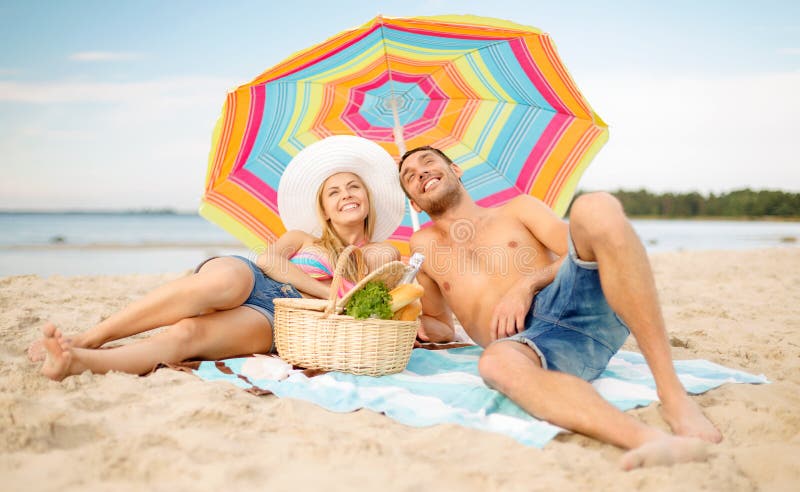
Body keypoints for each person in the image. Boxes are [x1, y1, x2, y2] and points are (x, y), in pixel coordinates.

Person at [398, 146, 722, 470]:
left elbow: (584, 248)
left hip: (576, 300)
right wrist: (420, 329)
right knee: (493, 364)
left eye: (428, 163)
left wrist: (526, 285)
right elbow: (440, 323)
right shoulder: (421, 246)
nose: (421, 173)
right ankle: (650, 442)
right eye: (409, 176)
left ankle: (673, 396)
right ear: (413, 202)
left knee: (595, 207)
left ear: (455, 169)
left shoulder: (517, 209)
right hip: (532, 346)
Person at [30, 135, 405, 381]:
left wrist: (356, 265)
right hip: (254, 280)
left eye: (354, 187)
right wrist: (326, 293)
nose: (346, 195)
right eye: (334, 192)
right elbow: (270, 262)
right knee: (225, 281)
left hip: (279, 317)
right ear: (324, 210)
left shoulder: (376, 252)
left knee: (188, 334)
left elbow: (382, 287)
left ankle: (77, 362)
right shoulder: (301, 237)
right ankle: (90, 337)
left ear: (368, 197)